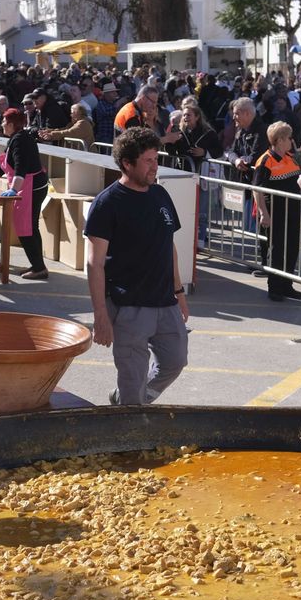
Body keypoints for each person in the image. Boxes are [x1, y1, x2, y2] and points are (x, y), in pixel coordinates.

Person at [85, 127, 189, 407]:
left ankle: (136, 400)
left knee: (175, 360)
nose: (155, 167)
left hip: (165, 301)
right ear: (127, 163)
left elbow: (170, 247)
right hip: (128, 307)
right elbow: (94, 264)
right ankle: (131, 432)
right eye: (148, 161)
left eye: (156, 159)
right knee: (132, 382)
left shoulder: (160, 195)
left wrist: (179, 292)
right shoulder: (107, 204)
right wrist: (100, 316)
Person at [253, 122, 301, 301]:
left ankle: (286, 285)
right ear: (280, 140)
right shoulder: (265, 160)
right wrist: (263, 213)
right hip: (276, 211)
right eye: (289, 138)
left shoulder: (291, 157)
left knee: (292, 248)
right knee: (277, 249)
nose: (292, 141)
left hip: (293, 211)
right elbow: (257, 189)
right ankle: (274, 287)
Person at [0, 108, 49, 280]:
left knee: (26, 228)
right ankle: (37, 265)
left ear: (11, 124)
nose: (2, 124)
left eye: (4, 121)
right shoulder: (15, 138)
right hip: (29, 186)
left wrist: (13, 189)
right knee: (30, 227)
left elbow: (21, 168)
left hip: (32, 187)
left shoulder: (20, 140)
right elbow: (1, 167)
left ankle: (39, 268)